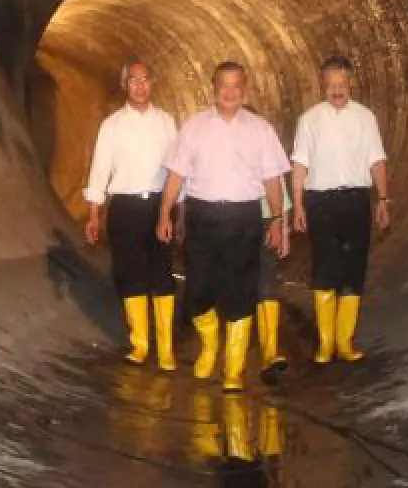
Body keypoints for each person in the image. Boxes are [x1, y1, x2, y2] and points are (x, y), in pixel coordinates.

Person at [157, 61, 289, 392]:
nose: (229, 92)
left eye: (236, 85)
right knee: (199, 290)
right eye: (223, 86)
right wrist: (164, 214)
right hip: (202, 217)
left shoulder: (260, 129)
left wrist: (277, 220)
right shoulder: (194, 127)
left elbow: (273, 179)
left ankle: (233, 369)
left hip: (244, 217)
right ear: (213, 89)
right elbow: (176, 175)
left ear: (245, 88)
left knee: (241, 290)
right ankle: (210, 344)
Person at [291, 55, 390, 363]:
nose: (337, 89)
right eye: (331, 84)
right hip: (320, 201)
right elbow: (299, 165)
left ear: (350, 83)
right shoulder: (309, 120)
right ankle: (325, 343)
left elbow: (377, 160)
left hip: (356, 199)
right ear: (323, 85)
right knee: (325, 267)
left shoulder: (365, 118)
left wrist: (384, 199)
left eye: (342, 83)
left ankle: (344, 341)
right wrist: (297, 206)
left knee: (353, 268)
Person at [84, 60, 179, 370]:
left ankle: (165, 349)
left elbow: (179, 169)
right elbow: (100, 170)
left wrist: (183, 208)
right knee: (130, 273)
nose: (140, 86)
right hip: (125, 206)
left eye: (145, 79)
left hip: (160, 206)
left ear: (153, 83)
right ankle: (140, 344)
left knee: (162, 272)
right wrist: (94, 214)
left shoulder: (167, 122)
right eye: (133, 80)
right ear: (124, 85)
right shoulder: (111, 125)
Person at [243, 104, 293, 385]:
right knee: (236, 284)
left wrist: (282, 230)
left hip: (265, 222)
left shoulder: (266, 147)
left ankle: (269, 353)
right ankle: (233, 355)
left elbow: (281, 193)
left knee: (266, 284)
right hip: (234, 223)